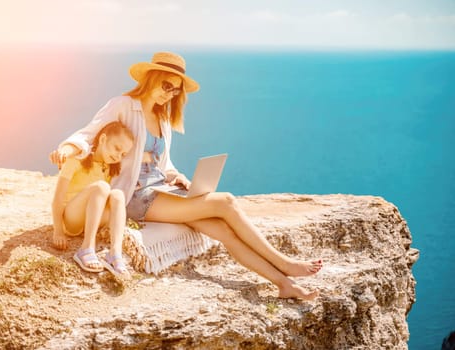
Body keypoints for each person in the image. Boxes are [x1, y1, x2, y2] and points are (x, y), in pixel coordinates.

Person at [50, 52, 322, 299]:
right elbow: (89, 133)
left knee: (224, 230)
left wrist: (177, 177)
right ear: (151, 78)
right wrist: (68, 147)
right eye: (166, 86)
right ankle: (285, 263)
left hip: (160, 190)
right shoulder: (123, 104)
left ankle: (284, 284)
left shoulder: (163, 119)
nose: (169, 94)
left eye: (175, 91)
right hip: (135, 195)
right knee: (225, 201)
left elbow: (163, 163)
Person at [51, 121, 134, 278]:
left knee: (118, 195)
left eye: (123, 154)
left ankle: (115, 254)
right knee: (101, 187)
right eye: (117, 148)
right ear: (102, 139)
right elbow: (58, 197)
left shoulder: (109, 167)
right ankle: (87, 247)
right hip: (72, 219)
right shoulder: (76, 159)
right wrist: (58, 231)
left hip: (92, 219)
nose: (118, 156)